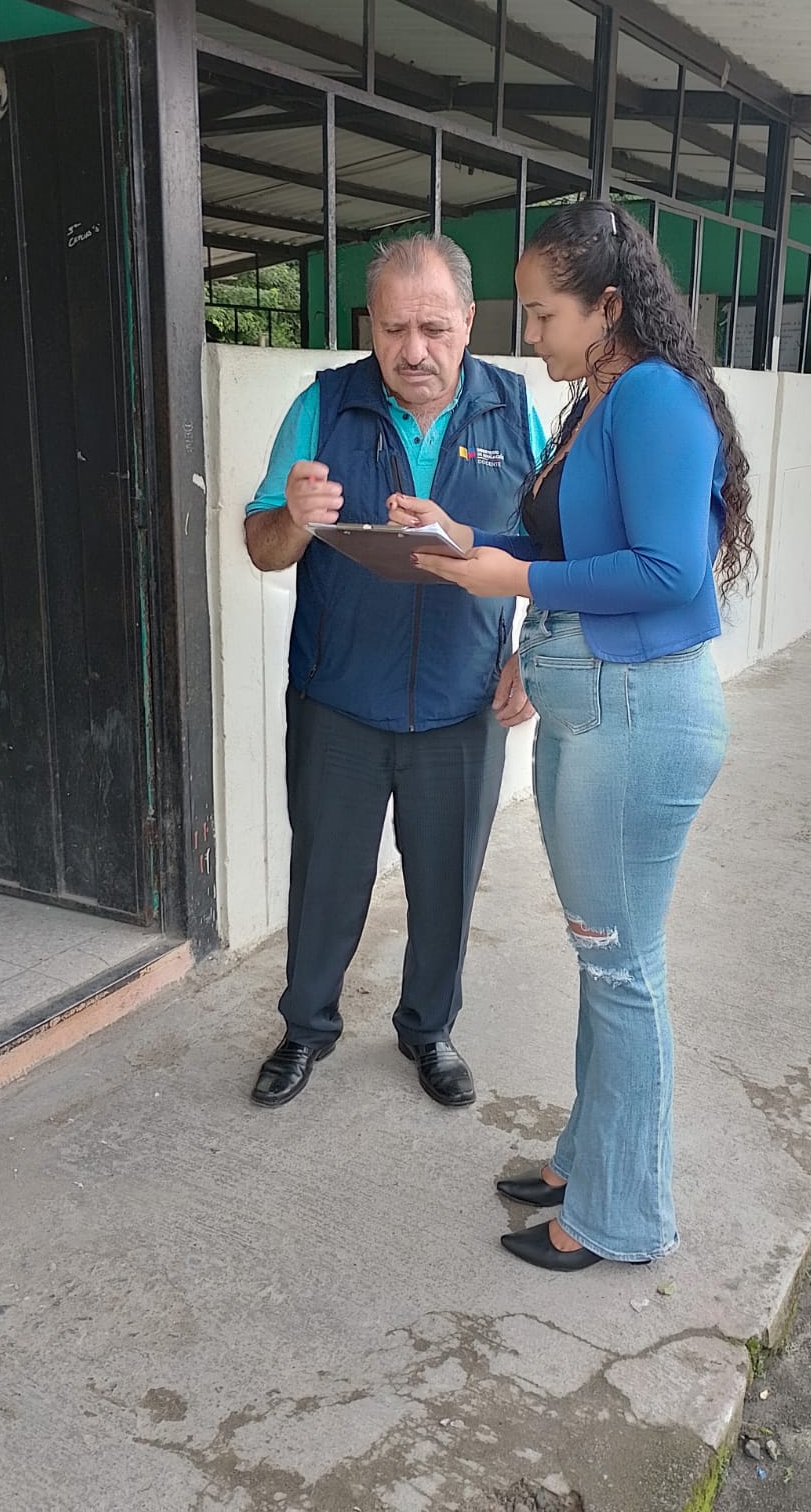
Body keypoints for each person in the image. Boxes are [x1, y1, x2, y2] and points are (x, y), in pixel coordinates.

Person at [387, 199, 754, 1271]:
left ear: (609, 307)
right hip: (598, 711)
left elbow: (669, 571)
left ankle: (620, 1217)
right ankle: (587, 1160)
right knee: (606, 962)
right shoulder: (596, 401)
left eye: (545, 314)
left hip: (637, 715)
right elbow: (563, 538)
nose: (530, 334)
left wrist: (516, 580)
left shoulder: (654, 397)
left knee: (621, 968)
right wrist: (465, 536)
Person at [244, 234, 546, 1110]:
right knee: (325, 881)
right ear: (369, 325)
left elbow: (555, 548)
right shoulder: (323, 405)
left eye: (433, 328)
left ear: (468, 322)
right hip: (339, 698)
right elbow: (262, 546)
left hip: (464, 701)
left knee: (446, 884)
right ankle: (305, 1029)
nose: (413, 350)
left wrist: (533, 650)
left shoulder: (515, 410)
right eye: (391, 329)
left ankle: (429, 1031)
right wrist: (294, 518)